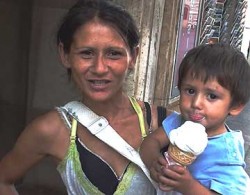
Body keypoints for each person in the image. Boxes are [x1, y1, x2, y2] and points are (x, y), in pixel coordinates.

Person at [0, 0, 169, 194]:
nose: (99, 68)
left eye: (113, 54)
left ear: (133, 56)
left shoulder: (164, 124)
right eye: (86, 53)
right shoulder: (52, 130)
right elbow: (3, 179)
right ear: (65, 55)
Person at [140, 43, 250, 194]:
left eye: (212, 96)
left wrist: (188, 186)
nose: (196, 103)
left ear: (235, 106)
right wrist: (154, 162)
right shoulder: (180, 122)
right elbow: (151, 142)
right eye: (190, 91)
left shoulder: (227, 155)